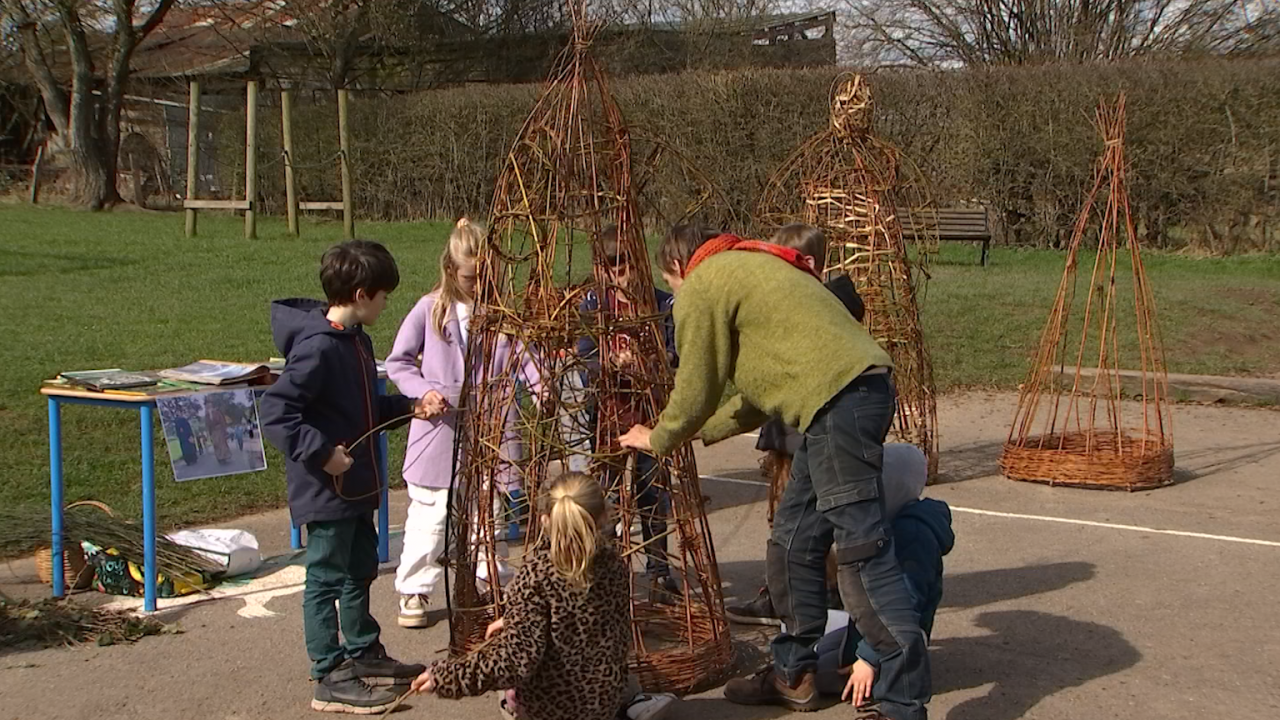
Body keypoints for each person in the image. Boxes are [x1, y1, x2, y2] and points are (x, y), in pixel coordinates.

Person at [619, 224, 930, 720]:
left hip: (839, 404)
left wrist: (658, 437)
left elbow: (696, 387)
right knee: (793, 541)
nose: (677, 293)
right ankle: (794, 674)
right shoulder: (757, 265)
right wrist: (695, 431)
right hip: (842, 399)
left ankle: (900, 701)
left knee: (861, 552)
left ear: (677, 268)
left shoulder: (704, 282)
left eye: (671, 284)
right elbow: (762, 392)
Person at [260, 239, 442, 715]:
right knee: (325, 576)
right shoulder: (318, 348)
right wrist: (321, 454)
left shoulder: (356, 340)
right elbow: (277, 412)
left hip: (357, 488)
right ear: (362, 294)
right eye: (384, 295)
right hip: (326, 489)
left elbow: (361, 410)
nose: (387, 304)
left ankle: (362, 650)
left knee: (360, 566)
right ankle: (327, 671)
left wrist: (407, 407)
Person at [387, 217, 541, 630]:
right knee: (431, 516)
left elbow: (527, 361)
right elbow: (397, 362)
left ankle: (492, 584)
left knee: (487, 513)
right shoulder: (429, 309)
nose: (478, 283)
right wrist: (422, 391)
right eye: (471, 276)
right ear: (451, 269)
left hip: (489, 429)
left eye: (485, 275)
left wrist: (544, 392)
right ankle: (415, 589)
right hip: (438, 433)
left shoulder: (501, 314)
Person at [729, 223, 868, 624]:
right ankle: (796, 592)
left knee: (801, 519)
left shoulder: (821, 307)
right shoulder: (812, 305)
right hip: (791, 433)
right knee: (790, 516)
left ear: (806, 264)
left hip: (805, 433)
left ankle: (803, 597)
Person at [409, 473, 632, 720]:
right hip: (604, 702)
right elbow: (582, 618)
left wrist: (446, 676)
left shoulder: (537, 575)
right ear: (603, 516)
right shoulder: (614, 565)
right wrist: (514, 620)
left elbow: (515, 659)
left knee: (509, 693)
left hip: (552, 710)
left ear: (545, 520)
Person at [578, 225, 679, 604]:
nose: (617, 273)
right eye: (609, 266)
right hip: (608, 412)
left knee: (652, 492)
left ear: (638, 265)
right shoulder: (594, 305)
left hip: (651, 412)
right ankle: (606, 572)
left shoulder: (662, 304)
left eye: (624, 265)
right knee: (605, 494)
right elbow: (584, 353)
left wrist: (649, 361)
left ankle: (658, 572)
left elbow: (678, 352)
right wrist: (609, 362)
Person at [813, 463, 952, 710]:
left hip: (891, 642)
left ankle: (891, 683)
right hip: (873, 630)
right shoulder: (894, 522)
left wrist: (867, 660)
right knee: (821, 651)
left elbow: (906, 604)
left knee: (820, 677)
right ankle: (863, 660)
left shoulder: (912, 535)